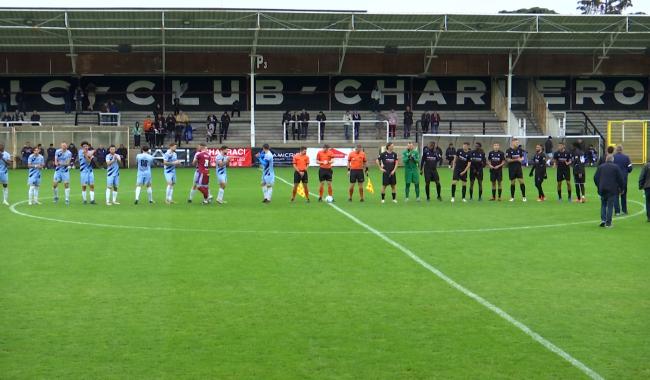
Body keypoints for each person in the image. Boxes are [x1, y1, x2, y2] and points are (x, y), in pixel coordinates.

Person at [594, 154, 624, 228]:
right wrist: (622, 188)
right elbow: (620, 179)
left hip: (602, 189)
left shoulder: (600, 167)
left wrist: (599, 186)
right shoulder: (616, 167)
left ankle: (603, 220)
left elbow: (595, 178)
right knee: (610, 206)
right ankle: (608, 223)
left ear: (606, 160)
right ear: (612, 160)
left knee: (603, 204)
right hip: (612, 189)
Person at [613, 145, 632, 215]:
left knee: (615, 195)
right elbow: (630, 168)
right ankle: (624, 210)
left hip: (615, 179)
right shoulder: (626, 157)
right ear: (622, 150)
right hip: (624, 179)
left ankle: (617, 211)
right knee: (623, 195)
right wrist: (626, 171)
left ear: (616, 150)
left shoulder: (613, 157)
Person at [638, 158, 650, 222]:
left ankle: (649, 217)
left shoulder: (646, 166)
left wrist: (640, 186)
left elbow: (642, 176)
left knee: (648, 202)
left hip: (647, 187)